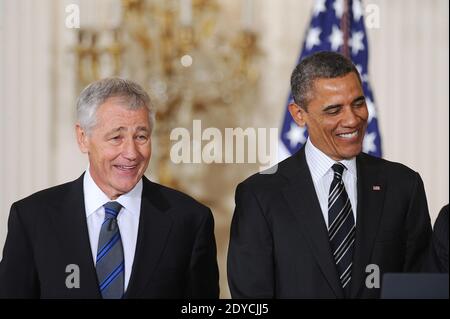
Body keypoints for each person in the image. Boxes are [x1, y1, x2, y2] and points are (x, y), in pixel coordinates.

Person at [227, 51, 432, 298]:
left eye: (358, 103)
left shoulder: (403, 186)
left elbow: (420, 288)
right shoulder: (259, 196)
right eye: (334, 110)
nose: (352, 120)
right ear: (298, 114)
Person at [0, 78, 219, 298]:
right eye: (116, 137)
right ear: (83, 137)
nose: (132, 153)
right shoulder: (33, 218)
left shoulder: (190, 220)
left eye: (141, 136)